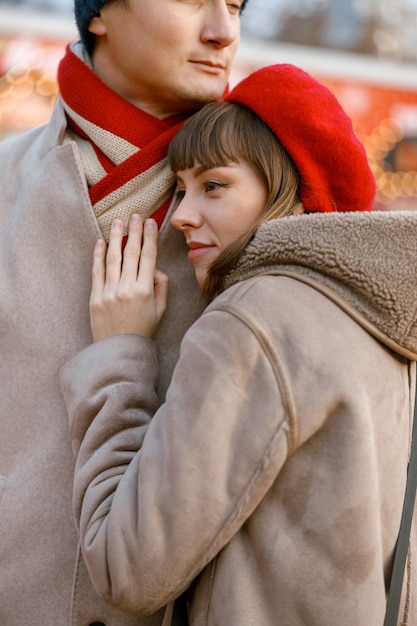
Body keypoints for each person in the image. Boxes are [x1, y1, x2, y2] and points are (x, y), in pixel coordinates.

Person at [60, 64, 417, 625]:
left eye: (214, 186)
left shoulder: (257, 319)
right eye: (180, 190)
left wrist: (120, 355)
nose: (181, 216)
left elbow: (125, 567)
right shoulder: (378, 317)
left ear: (291, 194)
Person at [0, 1, 248, 624]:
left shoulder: (270, 206)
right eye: (195, 0)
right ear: (102, 11)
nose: (224, 30)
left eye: (238, 5)